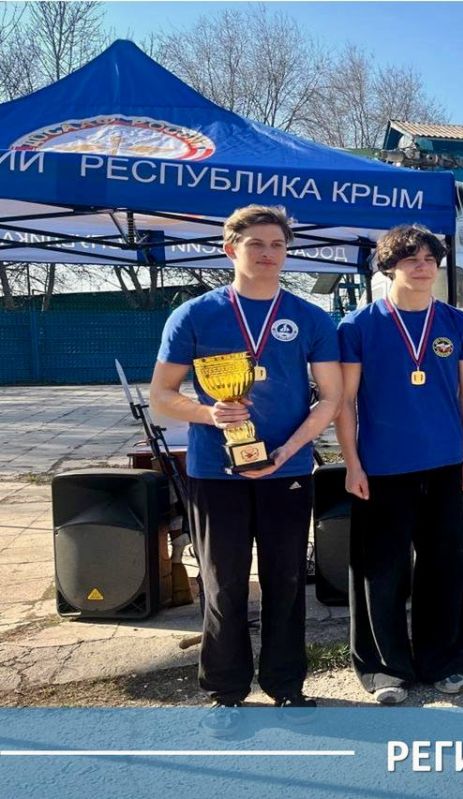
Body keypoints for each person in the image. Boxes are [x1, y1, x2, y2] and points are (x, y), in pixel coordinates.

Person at [149, 205, 342, 732]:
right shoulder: (194, 315)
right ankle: (226, 692)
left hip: (288, 470)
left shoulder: (309, 318)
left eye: (277, 245)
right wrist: (208, 413)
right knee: (223, 583)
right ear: (230, 248)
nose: (267, 253)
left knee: (286, 581)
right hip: (216, 472)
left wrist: (289, 449)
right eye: (256, 243)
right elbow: (162, 396)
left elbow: (331, 398)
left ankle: (286, 685)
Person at [335, 225, 463, 703]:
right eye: (410, 259)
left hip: (445, 466)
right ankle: (385, 668)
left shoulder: (458, 324)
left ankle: (445, 661)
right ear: (388, 266)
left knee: (446, 568)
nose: (422, 267)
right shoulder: (358, 326)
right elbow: (345, 402)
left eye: (429, 259)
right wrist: (352, 463)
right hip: (382, 468)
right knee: (382, 571)